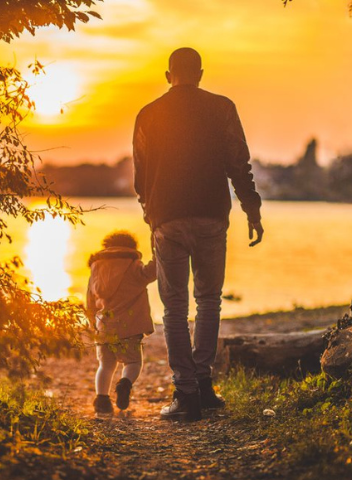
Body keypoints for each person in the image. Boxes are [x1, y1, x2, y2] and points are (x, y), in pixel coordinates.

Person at [133, 47, 264, 421]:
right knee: (209, 300)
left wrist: (150, 214)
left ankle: (186, 392)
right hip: (210, 214)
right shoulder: (222, 107)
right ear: (201, 73)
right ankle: (203, 385)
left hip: (167, 219)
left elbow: (141, 174)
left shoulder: (148, 114)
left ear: (167, 74)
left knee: (174, 307)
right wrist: (251, 208)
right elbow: (238, 162)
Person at [86, 230, 157, 415]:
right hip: (130, 328)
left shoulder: (96, 268)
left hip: (103, 327)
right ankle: (125, 384)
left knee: (105, 366)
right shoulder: (134, 266)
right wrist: (157, 248)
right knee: (133, 362)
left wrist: (92, 324)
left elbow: (89, 301)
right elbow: (153, 271)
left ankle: (102, 400)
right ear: (131, 248)